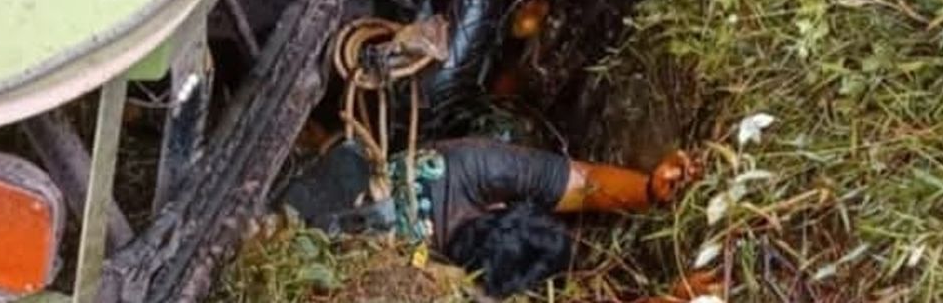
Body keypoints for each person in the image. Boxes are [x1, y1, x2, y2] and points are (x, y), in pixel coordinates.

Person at [279, 138, 701, 298]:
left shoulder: (467, 167)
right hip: (306, 223)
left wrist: (647, 189)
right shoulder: (421, 286)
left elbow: (581, 181)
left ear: (500, 208)